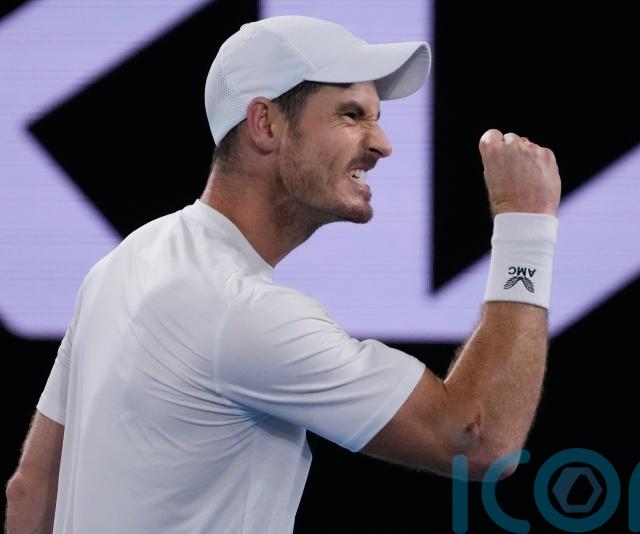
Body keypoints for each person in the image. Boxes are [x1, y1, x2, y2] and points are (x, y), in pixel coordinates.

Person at [5, 15, 561, 534]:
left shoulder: (124, 262)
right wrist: (526, 227)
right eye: (351, 114)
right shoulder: (239, 311)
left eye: (377, 117)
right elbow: (482, 443)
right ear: (265, 123)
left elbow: (32, 491)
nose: (382, 144)